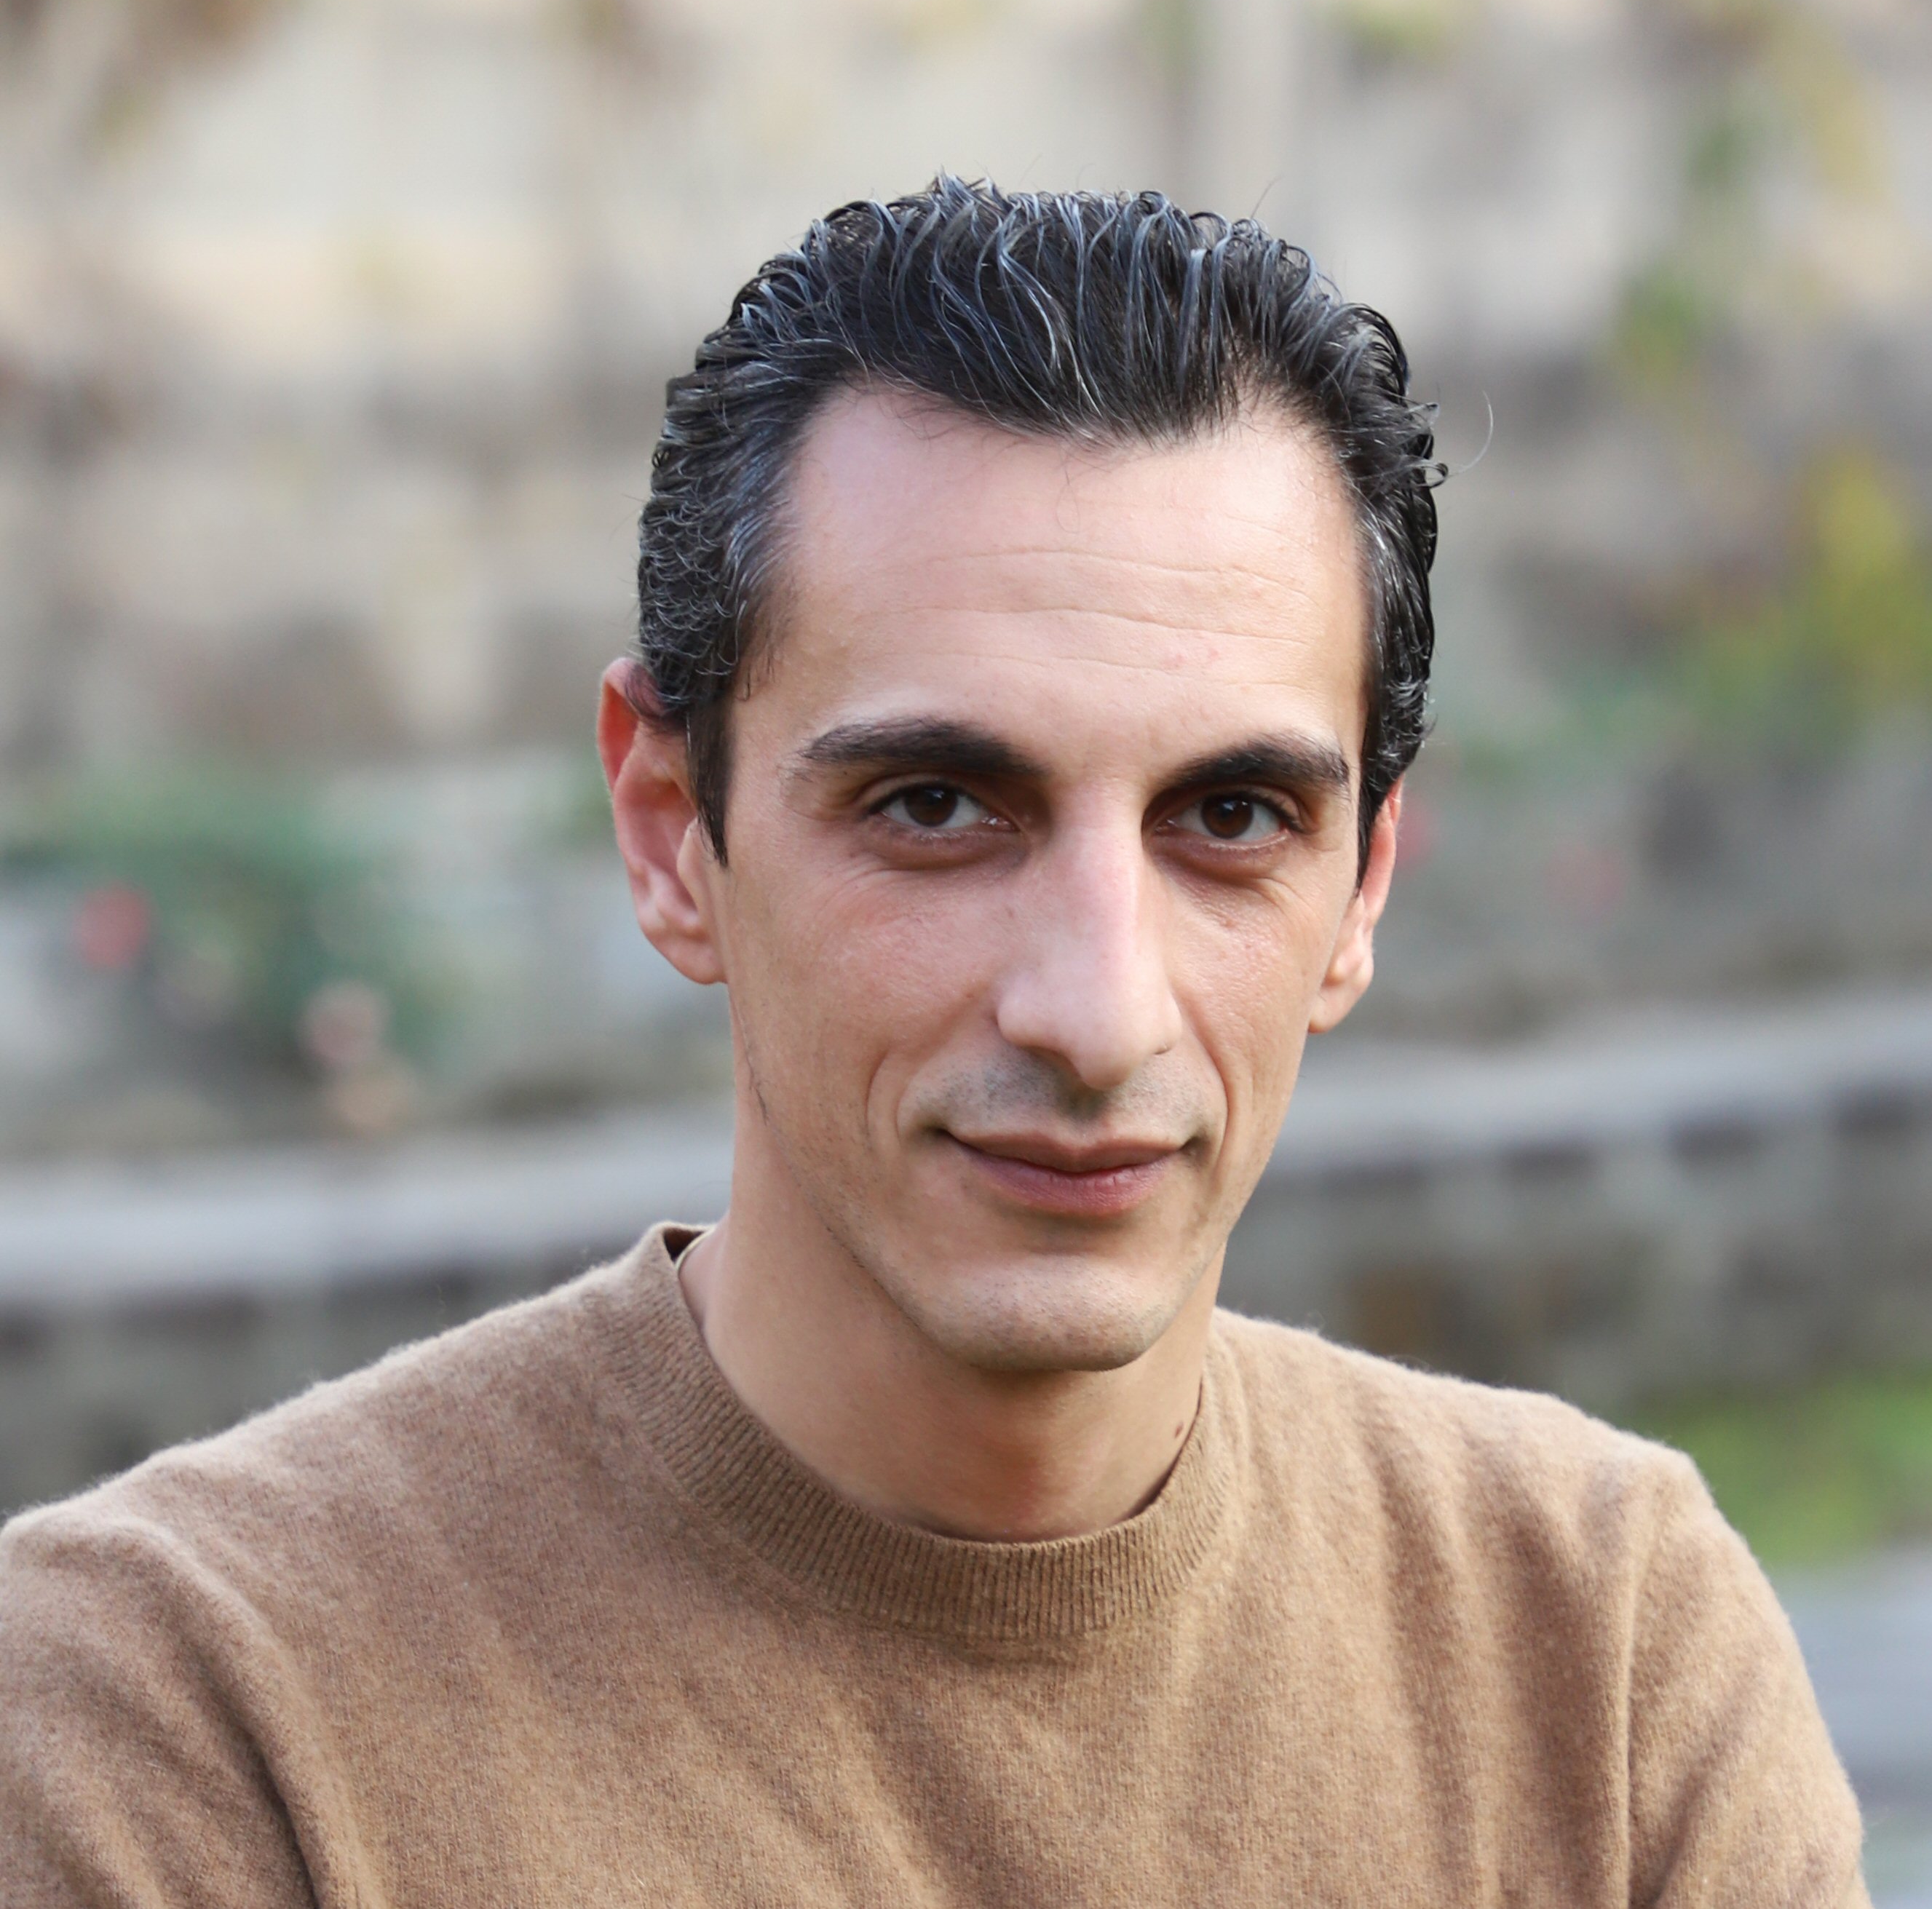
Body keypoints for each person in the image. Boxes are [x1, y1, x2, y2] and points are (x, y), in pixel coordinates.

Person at [0, 179, 1866, 1905]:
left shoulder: (1601, 1650)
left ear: (1364, 883)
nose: (1097, 1010)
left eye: (1230, 819)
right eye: (936, 806)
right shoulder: (180, 1708)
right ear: (669, 833)